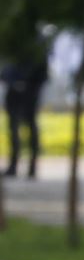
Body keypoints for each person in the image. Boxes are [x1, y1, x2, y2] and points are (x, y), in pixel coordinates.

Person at [3, 43, 48, 180]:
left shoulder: (38, 46)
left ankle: (32, 167)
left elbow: (43, 74)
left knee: (32, 130)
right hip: (14, 96)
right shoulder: (12, 42)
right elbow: (5, 70)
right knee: (14, 131)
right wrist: (13, 82)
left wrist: (29, 85)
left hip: (31, 95)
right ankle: (13, 166)